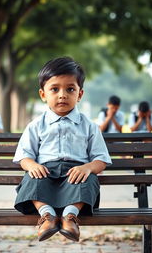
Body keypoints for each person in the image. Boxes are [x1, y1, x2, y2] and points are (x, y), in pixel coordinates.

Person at [13, 57, 111, 242]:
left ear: (80, 94)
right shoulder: (36, 125)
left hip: (75, 175)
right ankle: (47, 216)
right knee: (31, 179)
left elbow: (101, 159)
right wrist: (32, 165)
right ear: (43, 94)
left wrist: (87, 168)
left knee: (89, 179)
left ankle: (70, 217)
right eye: (54, 89)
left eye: (70, 89)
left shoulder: (89, 126)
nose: (62, 95)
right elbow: (24, 156)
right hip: (45, 173)